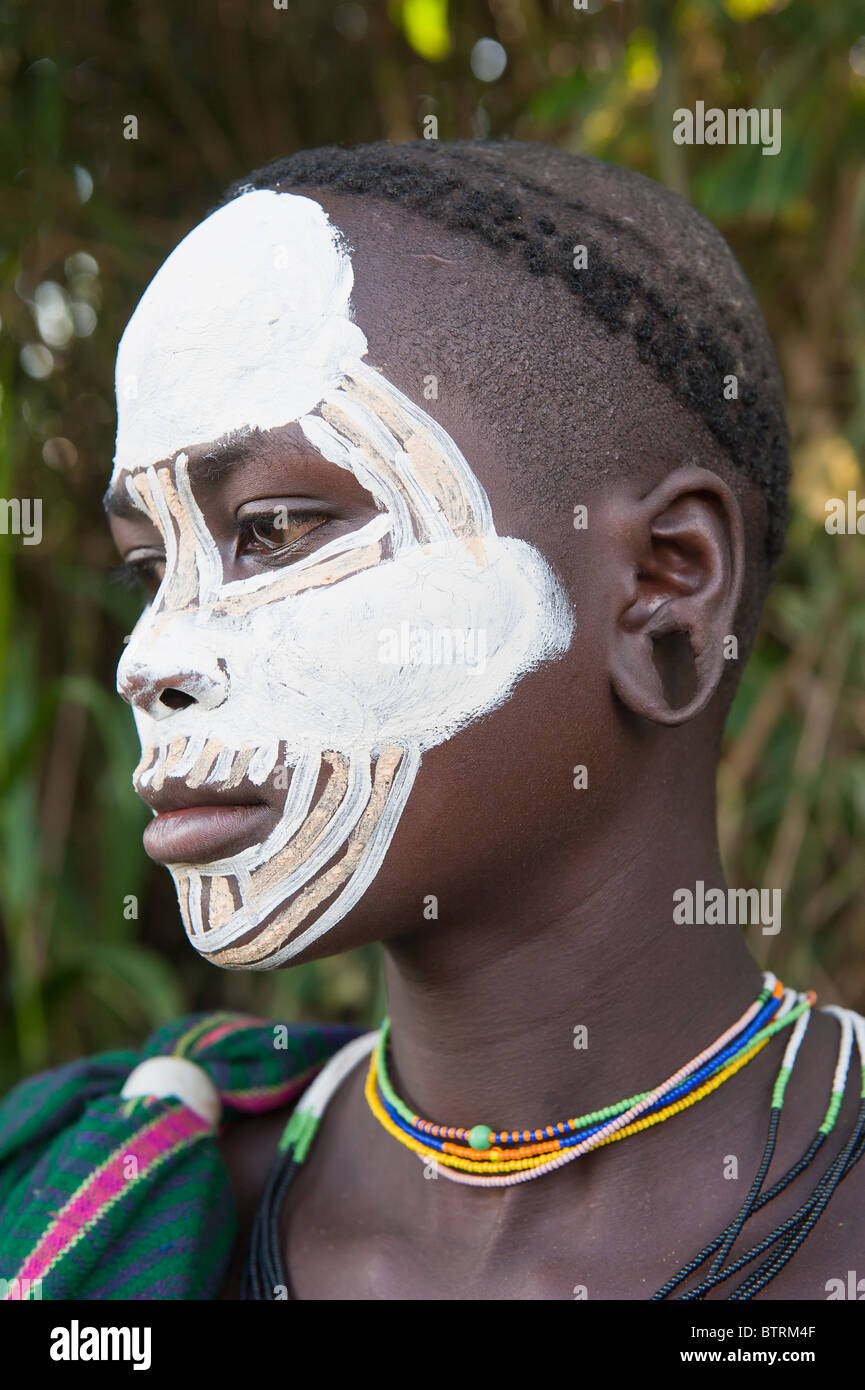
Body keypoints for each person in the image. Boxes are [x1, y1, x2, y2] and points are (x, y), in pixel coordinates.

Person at [1, 140, 862, 1302]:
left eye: (272, 527)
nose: (149, 658)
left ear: (665, 587)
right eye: (146, 567)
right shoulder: (109, 1199)